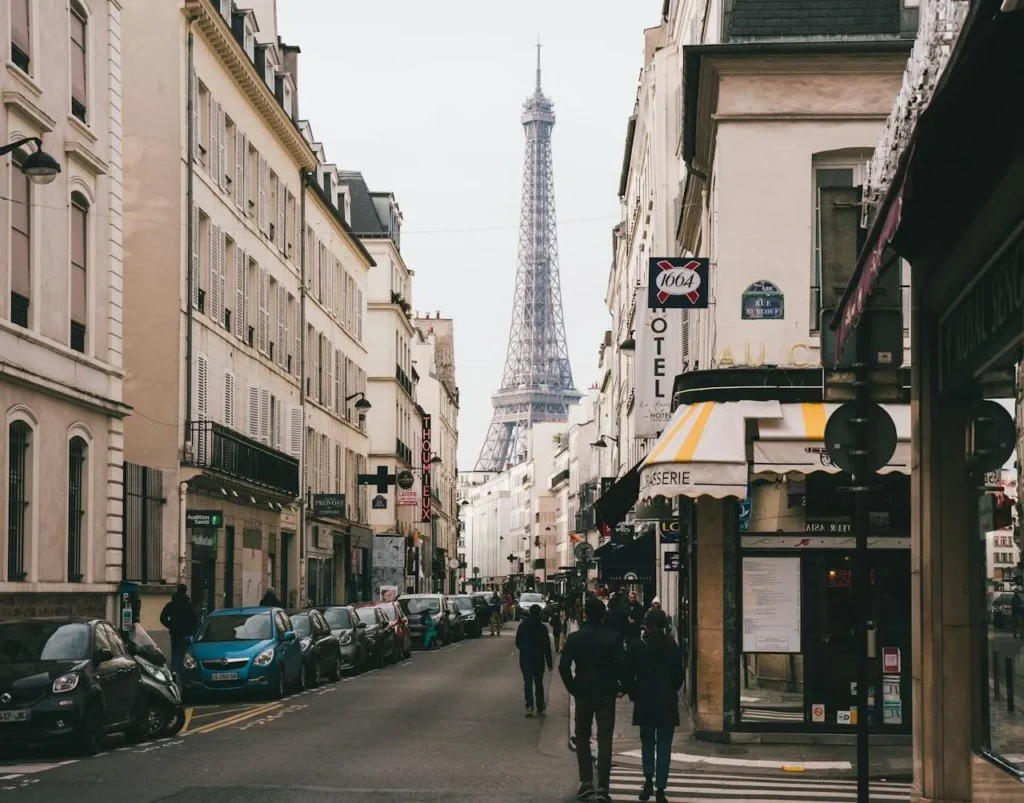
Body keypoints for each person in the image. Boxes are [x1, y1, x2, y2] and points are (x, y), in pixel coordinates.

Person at [559, 597, 627, 803]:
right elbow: (623, 664)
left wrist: (573, 688)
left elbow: (564, 667)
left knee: (582, 736)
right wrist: (621, 687)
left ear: (585, 614)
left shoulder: (575, 638)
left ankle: (586, 782)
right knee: (605, 739)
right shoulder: (613, 637)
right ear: (603, 614)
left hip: (583, 691)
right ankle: (603, 788)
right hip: (606, 691)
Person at [625, 608, 684, 803]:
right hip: (666, 700)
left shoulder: (637, 646)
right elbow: (679, 677)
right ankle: (661, 788)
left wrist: (634, 694)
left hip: (645, 699)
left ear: (646, 625)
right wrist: (670, 689)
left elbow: (629, 674)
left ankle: (648, 780)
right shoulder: (672, 647)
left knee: (647, 742)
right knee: (665, 745)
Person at [516, 605, 553, 716]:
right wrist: (549, 663)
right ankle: (540, 704)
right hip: (538, 658)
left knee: (527, 682)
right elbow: (547, 646)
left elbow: (518, 642)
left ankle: (529, 705)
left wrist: (524, 649)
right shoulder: (542, 628)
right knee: (538, 683)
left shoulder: (523, 626)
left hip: (525, 657)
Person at [160, 584, 198, 676]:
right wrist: (192, 629)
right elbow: (195, 619)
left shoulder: (171, 604)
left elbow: (162, 618)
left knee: (175, 653)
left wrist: (171, 626)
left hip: (175, 633)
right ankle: (184, 673)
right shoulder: (189, 605)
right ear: (185, 591)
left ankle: (174, 671)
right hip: (187, 633)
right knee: (186, 654)